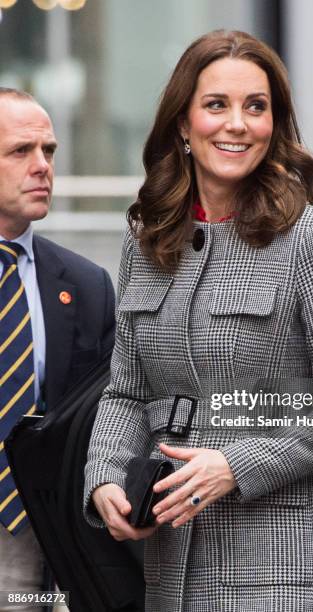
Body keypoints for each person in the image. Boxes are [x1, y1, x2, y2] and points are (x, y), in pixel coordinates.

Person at [84, 30, 313, 612]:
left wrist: (236, 462)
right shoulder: (146, 243)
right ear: (183, 123)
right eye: (216, 105)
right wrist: (104, 477)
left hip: (283, 562)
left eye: (256, 107)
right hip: (172, 562)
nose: (237, 125)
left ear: (275, 124)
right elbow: (127, 391)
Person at [0, 88, 115, 607]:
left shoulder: (87, 285)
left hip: (41, 534)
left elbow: (109, 412)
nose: (42, 166)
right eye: (20, 151)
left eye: (48, 151)